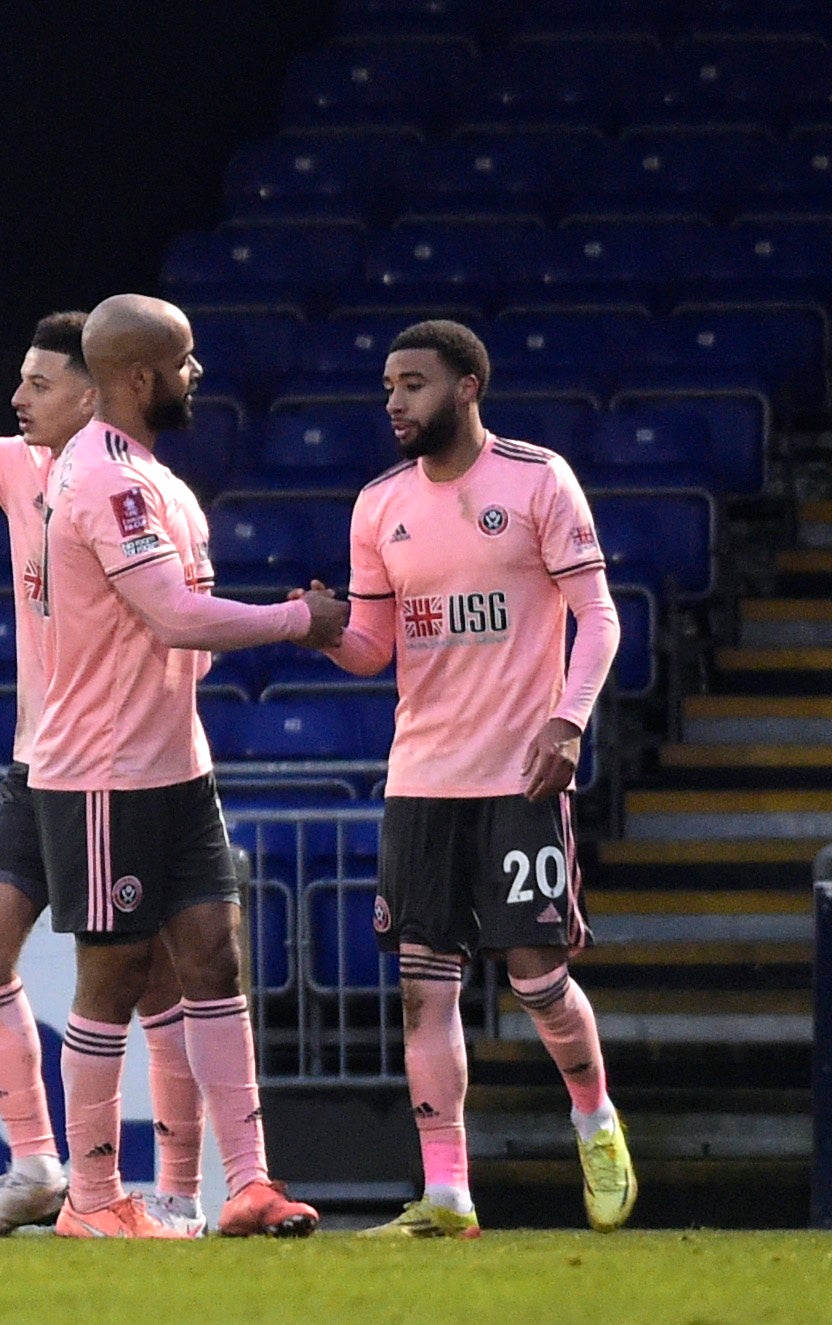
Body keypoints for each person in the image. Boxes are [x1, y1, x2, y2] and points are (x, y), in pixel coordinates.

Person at [0, 272, 206, 1237]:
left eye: (37, 383)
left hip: (120, 765)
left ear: (94, 393)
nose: (18, 400)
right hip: (36, 763)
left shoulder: (130, 489)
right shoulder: (20, 467)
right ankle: (35, 1164)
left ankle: (178, 1187)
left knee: (157, 979)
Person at [305, 320, 633, 1238]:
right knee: (424, 985)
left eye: (413, 384)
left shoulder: (536, 479)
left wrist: (567, 719)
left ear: (468, 386)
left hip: (518, 774)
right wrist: (321, 627)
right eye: (387, 387)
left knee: (536, 975)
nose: (395, 402)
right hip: (421, 778)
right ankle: (447, 1191)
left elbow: (597, 619)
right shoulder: (379, 505)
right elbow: (375, 646)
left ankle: (594, 1117)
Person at [32, 293, 345, 1239]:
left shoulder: (158, 480)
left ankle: (249, 1182)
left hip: (175, 763)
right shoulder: (104, 479)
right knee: (116, 973)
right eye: (184, 359)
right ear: (140, 377)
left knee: (215, 956)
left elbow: (187, 642)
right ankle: (90, 1200)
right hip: (101, 768)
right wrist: (298, 620)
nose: (196, 373)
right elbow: (173, 617)